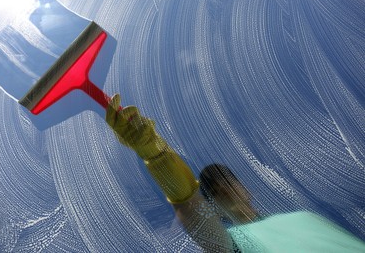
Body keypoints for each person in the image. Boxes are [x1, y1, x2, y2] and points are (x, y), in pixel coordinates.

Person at [106, 94, 365, 252]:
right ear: (212, 208)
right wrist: (155, 153)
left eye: (227, 180)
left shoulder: (306, 218)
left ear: (246, 189)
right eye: (213, 190)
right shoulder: (235, 243)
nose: (223, 187)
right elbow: (193, 213)